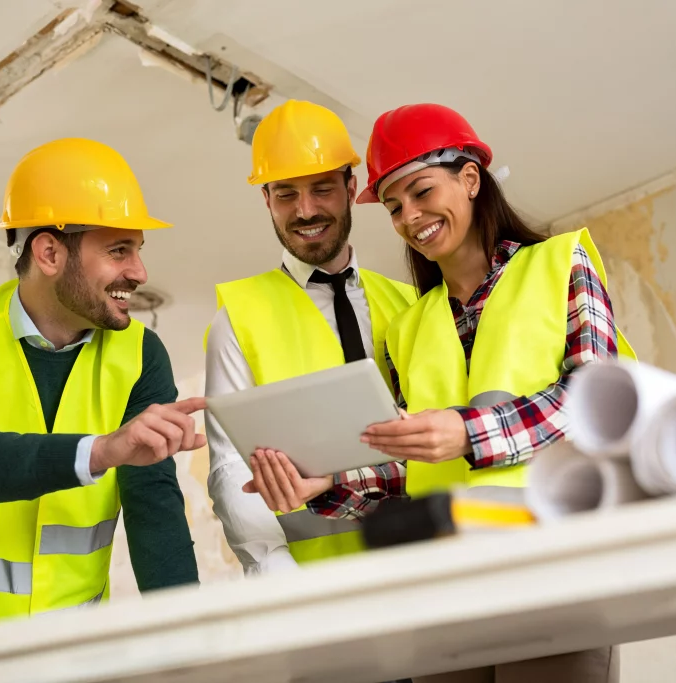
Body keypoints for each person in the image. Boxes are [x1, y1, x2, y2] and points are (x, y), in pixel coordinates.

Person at [245, 104, 636, 682]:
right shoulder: (409, 327)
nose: (410, 217)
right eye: (395, 206)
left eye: (423, 192)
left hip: (557, 569)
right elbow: (416, 470)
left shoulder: (560, 263)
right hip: (445, 587)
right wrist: (328, 484)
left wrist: (467, 432)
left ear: (471, 179)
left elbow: (595, 403)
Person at [0, 138, 203, 640]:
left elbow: (154, 508)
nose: (138, 272)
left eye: (138, 250)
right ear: (49, 252)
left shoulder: (142, 355)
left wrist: (195, 643)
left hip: (66, 656)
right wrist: (100, 451)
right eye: (119, 249)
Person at [204, 100, 416, 575]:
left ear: (351, 187)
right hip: (311, 583)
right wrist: (275, 572)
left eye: (322, 189)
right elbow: (230, 468)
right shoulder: (236, 319)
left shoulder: (412, 303)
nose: (305, 210)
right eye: (285, 194)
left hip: (423, 563)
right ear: (266, 200)